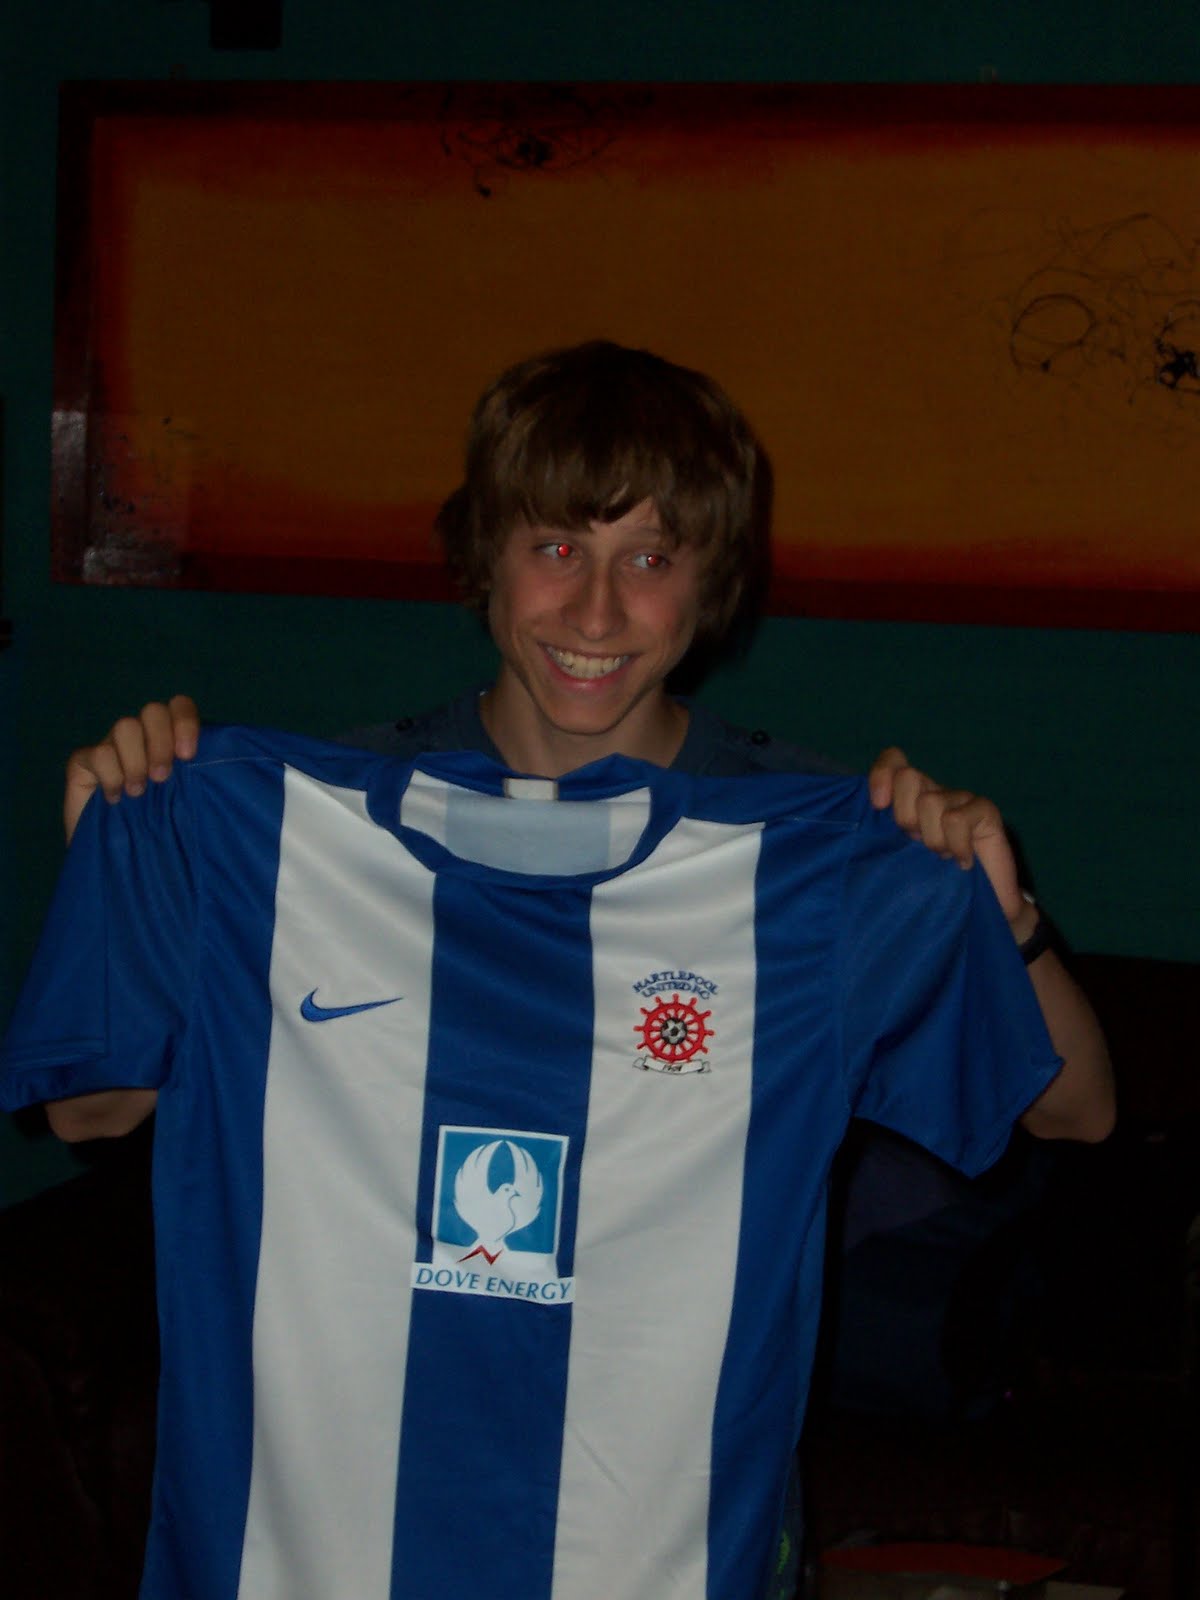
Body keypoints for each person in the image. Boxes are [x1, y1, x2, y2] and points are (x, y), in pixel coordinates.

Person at [17, 342, 1114, 1600]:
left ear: (711, 583)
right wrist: (119, 861)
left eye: (650, 560)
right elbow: (91, 1112)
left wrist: (1003, 911)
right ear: (483, 556)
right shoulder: (291, 835)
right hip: (322, 1548)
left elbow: (1075, 1109)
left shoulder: (807, 856)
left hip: (663, 1547)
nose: (595, 616)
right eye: (555, 547)